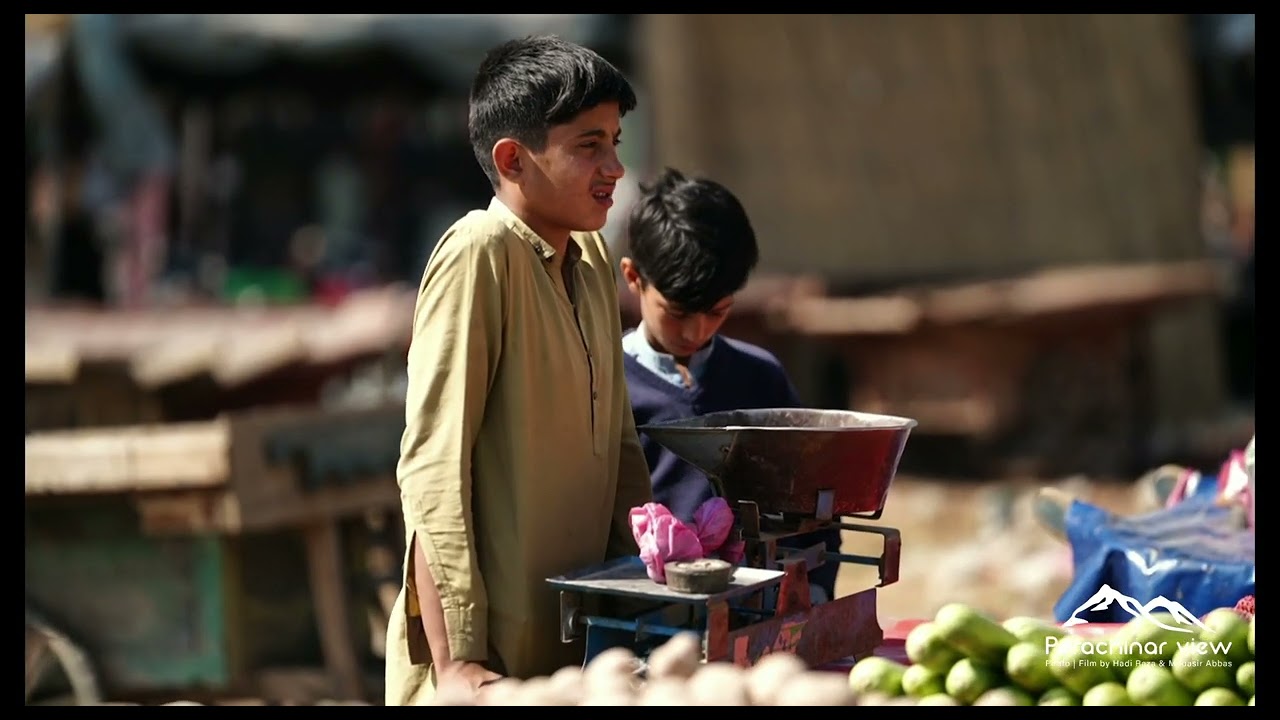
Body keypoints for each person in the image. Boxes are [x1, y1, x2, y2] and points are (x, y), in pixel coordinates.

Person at [384, 35, 653, 706]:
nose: (615, 167)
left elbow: (621, 455)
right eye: (589, 145)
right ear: (513, 159)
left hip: (575, 653)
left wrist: (644, 603)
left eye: (616, 142)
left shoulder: (591, 264)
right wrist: (459, 663)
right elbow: (432, 468)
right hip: (487, 667)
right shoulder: (479, 252)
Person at [618, 167, 842, 605]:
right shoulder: (605, 384)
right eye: (677, 312)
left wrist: (813, 585)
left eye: (717, 311)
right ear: (633, 278)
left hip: (758, 609)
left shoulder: (760, 377)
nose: (695, 331)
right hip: (641, 614)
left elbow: (812, 503)